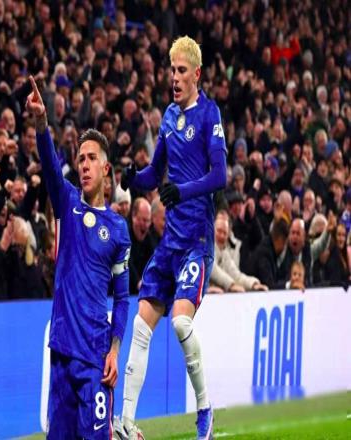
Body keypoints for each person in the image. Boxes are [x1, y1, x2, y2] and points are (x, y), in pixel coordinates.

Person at [116, 36, 227, 440]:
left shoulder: (210, 115)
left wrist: (183, 191)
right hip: (170, 243)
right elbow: (153, 173)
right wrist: (133, 177)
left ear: (197, 74)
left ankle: (205, 410)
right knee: (141, 326)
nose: (174, 78)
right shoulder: (167, 116)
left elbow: (220, 176)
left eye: (181, 71)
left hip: (196, 239)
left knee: (180, 322)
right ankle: (126, 423)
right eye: (172, 70)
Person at [26, 76, 132, 438]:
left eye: (91, 159)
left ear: (106, 169)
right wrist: (42, 124)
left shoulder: (118, 229)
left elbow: (122, 298)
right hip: (61, 354)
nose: (84, 165)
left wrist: (114, 351)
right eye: (80, 159)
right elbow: (50, 166)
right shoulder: (67, 202)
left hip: (96, 359)